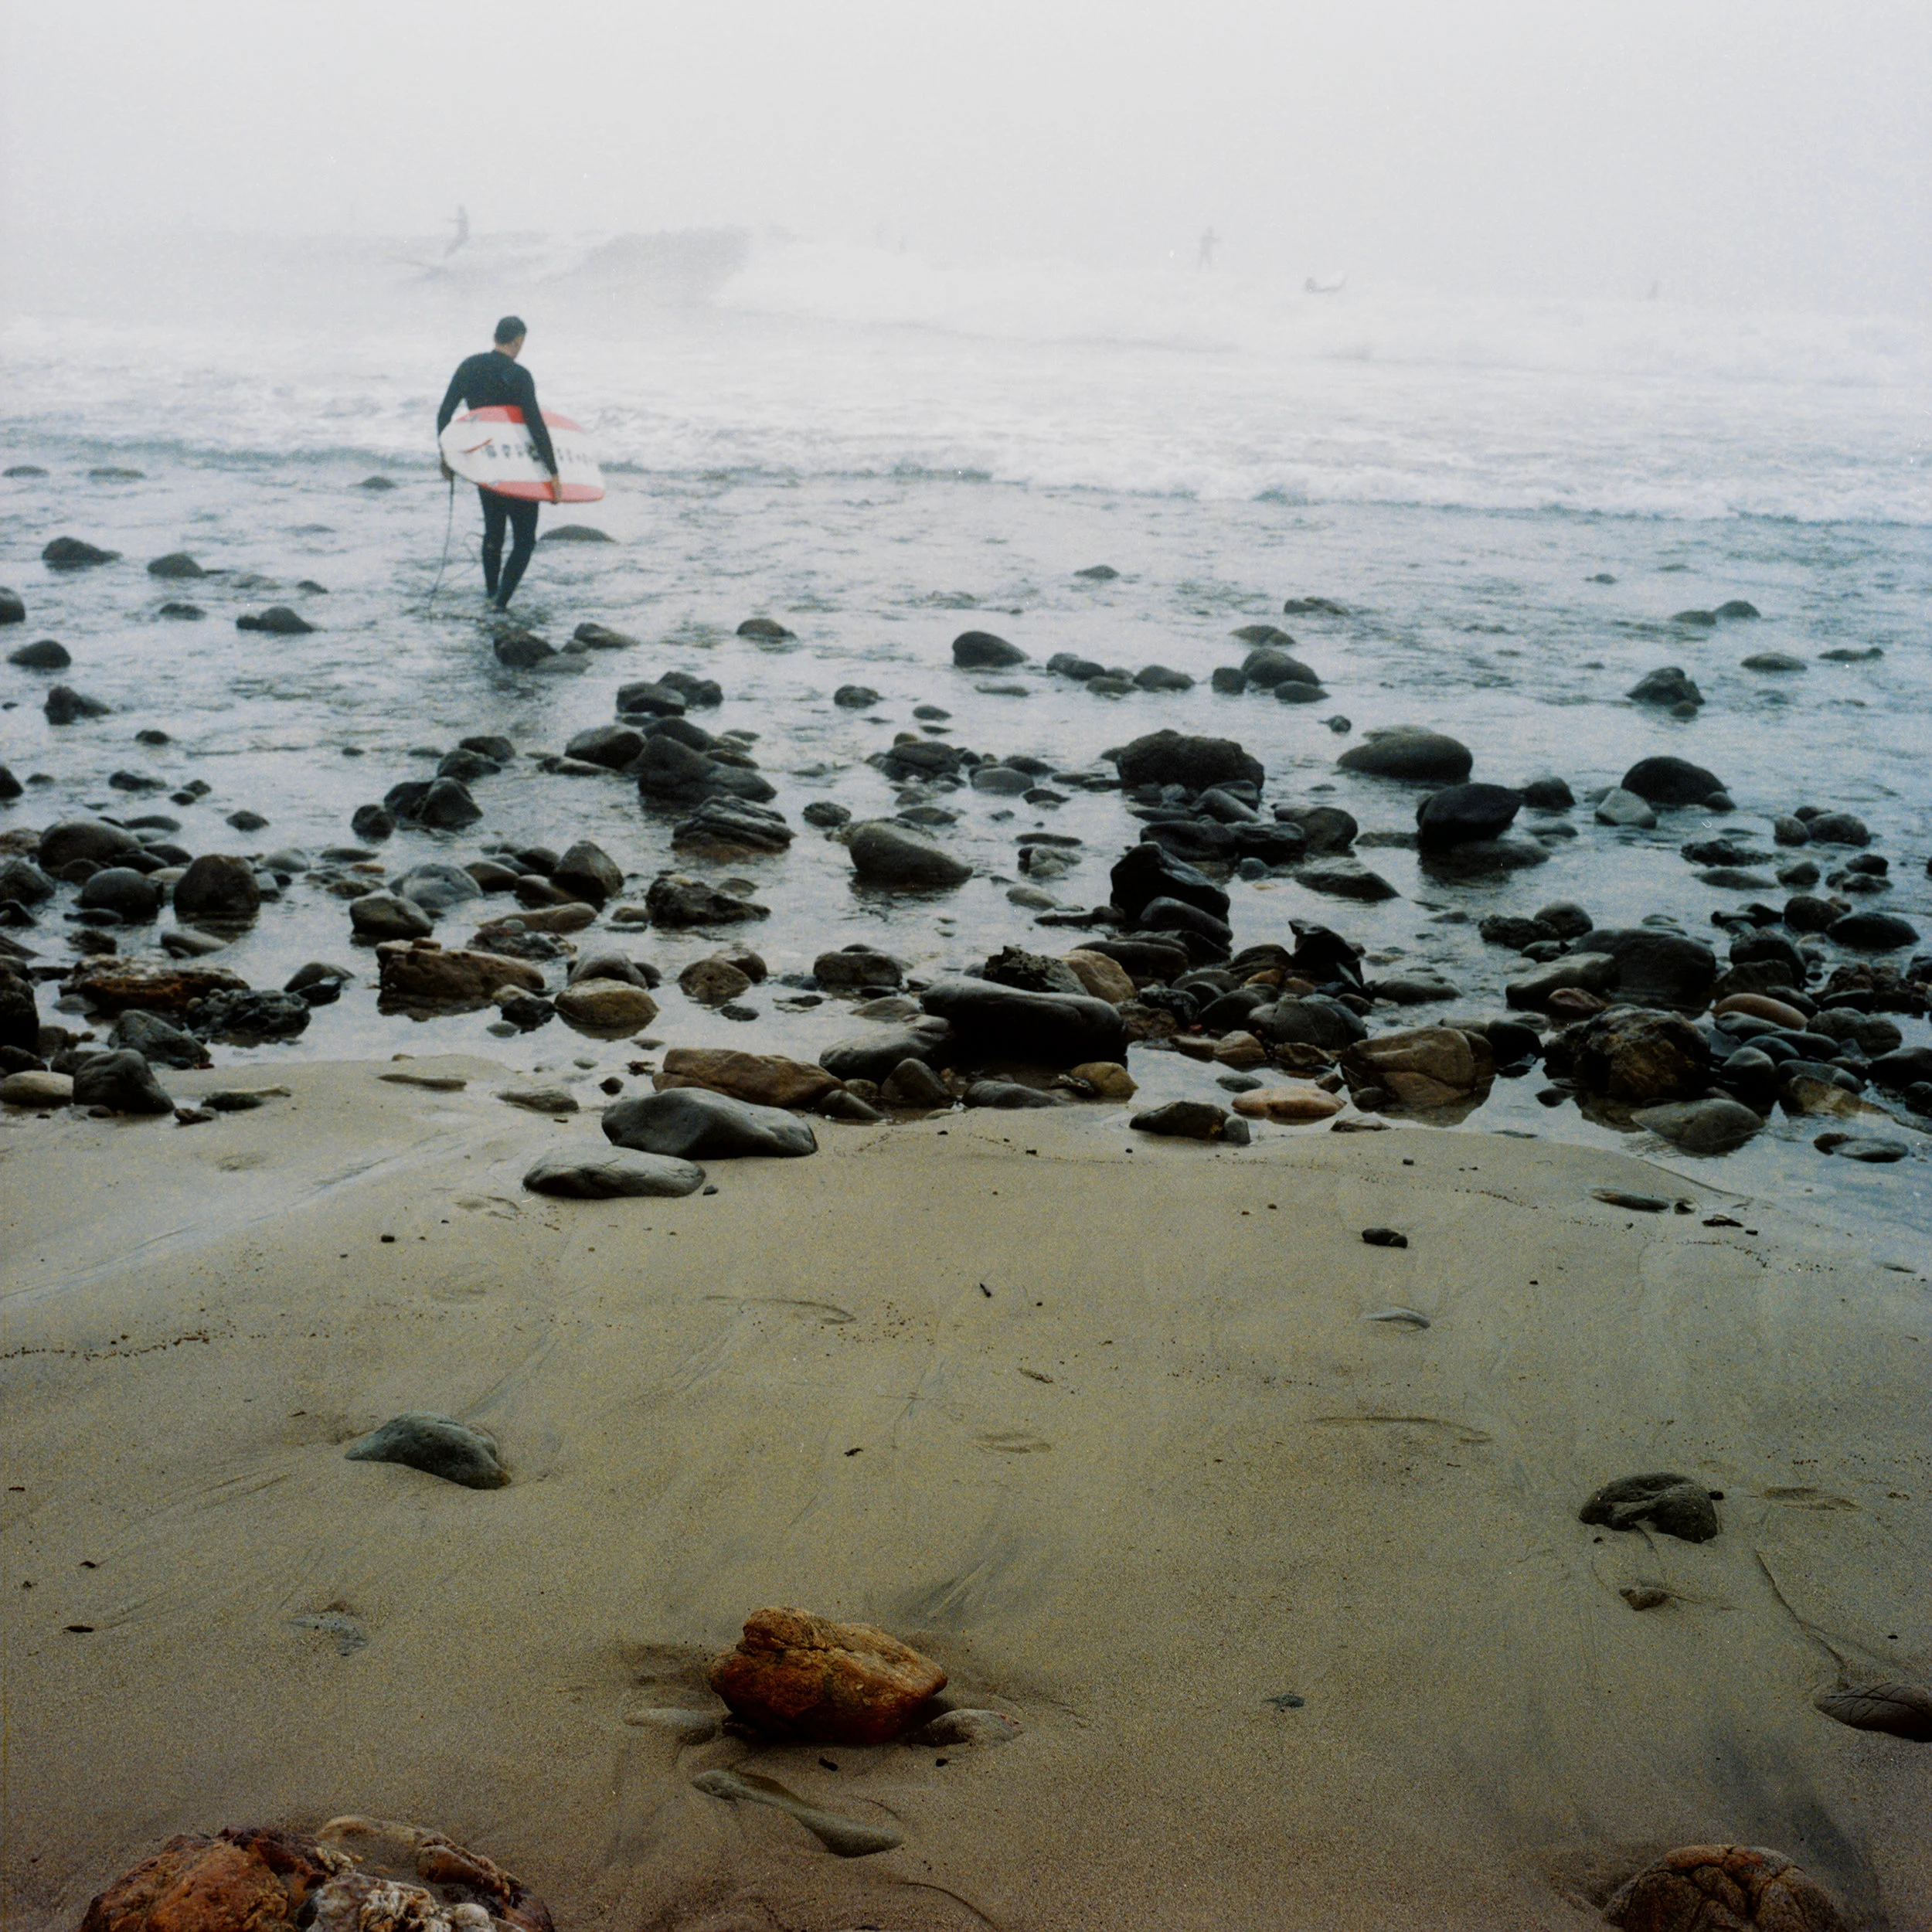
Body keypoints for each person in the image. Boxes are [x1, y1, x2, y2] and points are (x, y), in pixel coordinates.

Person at [436, 316, 561, 611]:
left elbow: (445, 414)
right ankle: (501, 603)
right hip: (519, 467)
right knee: (524, 540)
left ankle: (491, 593)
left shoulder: (469, 367)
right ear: (517, 341)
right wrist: (553, 472)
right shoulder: (520, 375)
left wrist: (447, 456)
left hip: (485, 463)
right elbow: (535, 425)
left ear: (495, 336)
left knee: (494, 531)